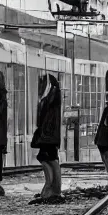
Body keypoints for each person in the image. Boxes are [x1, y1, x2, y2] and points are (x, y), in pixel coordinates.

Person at [31, 73, 63, 203]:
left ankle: (50, 187)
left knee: (47, 158)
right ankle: (53, 188)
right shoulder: (53, 94)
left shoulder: (52, 95)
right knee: (50, 158)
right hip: (49, 135)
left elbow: (43, 117)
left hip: (48, 134)